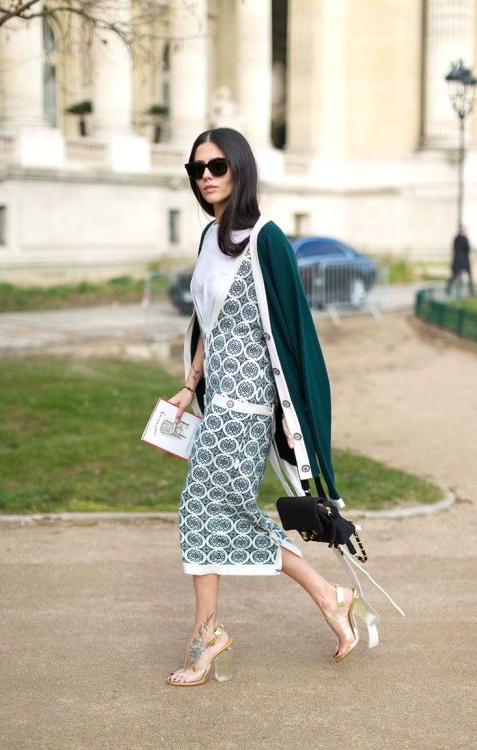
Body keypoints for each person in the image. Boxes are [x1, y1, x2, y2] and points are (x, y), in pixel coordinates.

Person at [166, 128, 363, 687]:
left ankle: (209, 636)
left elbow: (292, 332)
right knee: (210, 512)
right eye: (196, 168)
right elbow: (208, 320)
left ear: (241, 168)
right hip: (217, 399)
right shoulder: (209, 236)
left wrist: (289, 411)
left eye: (217, 165)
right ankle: (329, 597)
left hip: (249, 405)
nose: (206, 175)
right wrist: (189, 383)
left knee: (203, 509)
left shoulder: (267, 238)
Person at [446, 227, 474, 295]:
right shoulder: (465, 239)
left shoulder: (456, 238)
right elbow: (468, 249)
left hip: (457, 260)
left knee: (454, 275)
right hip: (464, 260)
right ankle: (471, 290)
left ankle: (448, 288)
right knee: (469, 276)